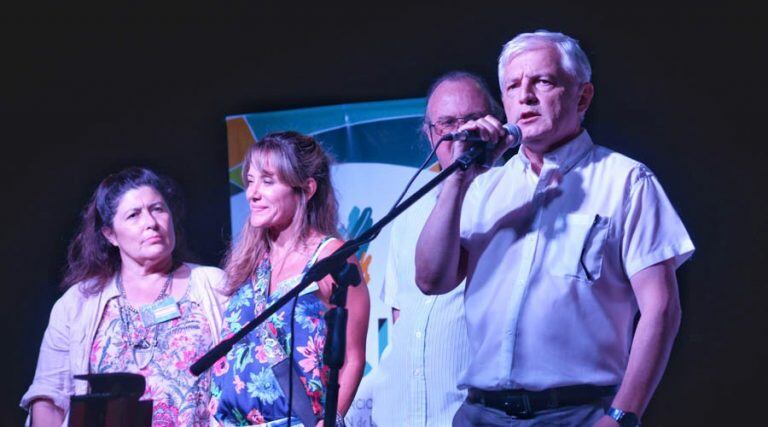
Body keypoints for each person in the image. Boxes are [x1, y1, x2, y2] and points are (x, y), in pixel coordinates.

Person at [415, 30, 695, 426]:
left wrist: (622, 415)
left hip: (576, 413)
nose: (525, 96)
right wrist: (457, 180)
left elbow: (661, 308)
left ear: (582, 97)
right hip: (480, 414)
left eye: (542, 81)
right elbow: (431, 279)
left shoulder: (626, 181)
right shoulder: (483, 186)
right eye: (513, 86)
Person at [20, 167, 228, 426]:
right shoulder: (77, 303)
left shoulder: (213, 285)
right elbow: (49, 397)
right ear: (110, 235)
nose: (151, 222)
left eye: (158, 209)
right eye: (134, 215)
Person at [371, 71, 503, 427]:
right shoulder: (411, 207)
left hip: (471, 415)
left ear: (493, 123)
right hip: (400, 415)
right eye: (446, 123)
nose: (459, 132)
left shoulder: (512, 192)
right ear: (429, 133)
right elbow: (401, 316)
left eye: (471, 120)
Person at [211, 131, 370, 426]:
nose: (252, 193)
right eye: (250, 181)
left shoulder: (330, 257)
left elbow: (353, 357)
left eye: (267, 181)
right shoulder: (249, 260)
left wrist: (333, 419)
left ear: (306, 189)